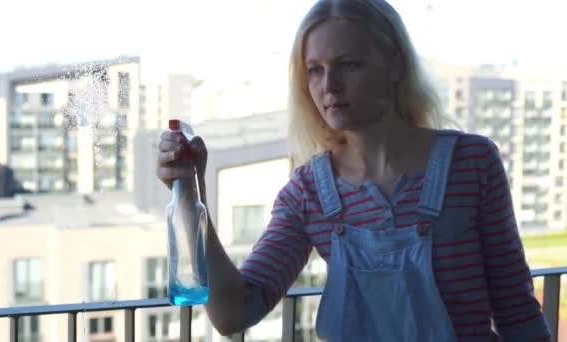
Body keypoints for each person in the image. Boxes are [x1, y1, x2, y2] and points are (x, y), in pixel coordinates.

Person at [157, 0, 551, 340]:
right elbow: (235, 314)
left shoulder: (471, 163)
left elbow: (517, 311)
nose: (329, 85)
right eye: (314, 69)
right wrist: (193, 194)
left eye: (348, 64)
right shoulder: (309, 191)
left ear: (394, 65)